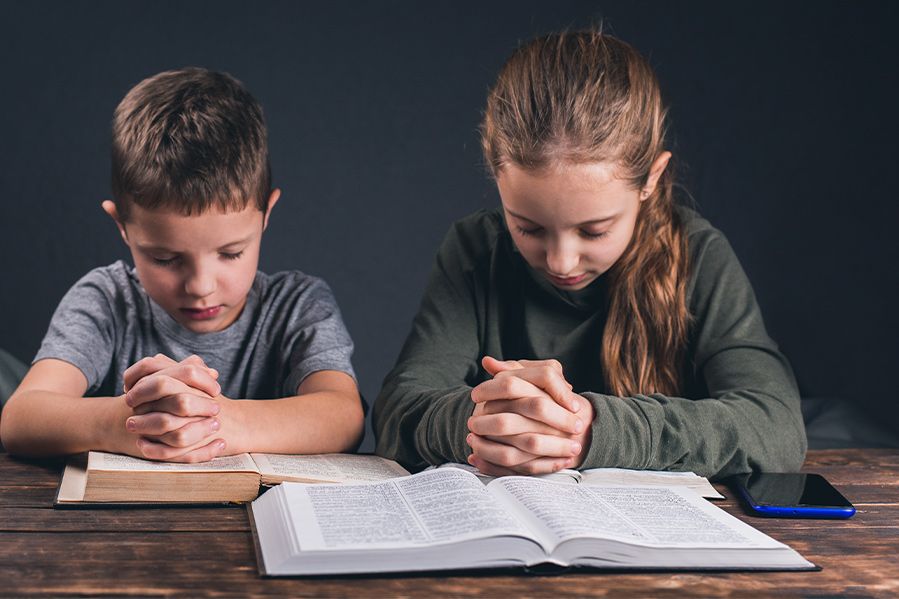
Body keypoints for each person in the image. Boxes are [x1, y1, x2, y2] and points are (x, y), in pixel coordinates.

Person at [373, 31, 806, 478]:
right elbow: (398, 410)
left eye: (594, 231)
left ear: (651, 180)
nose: (561, 261)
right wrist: (493, 419)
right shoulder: (475, 249)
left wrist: (591, 429)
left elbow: (776, 426)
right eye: (528, 227)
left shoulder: (699, 255)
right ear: (495, 174)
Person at [0, 68, 364, 462]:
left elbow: (344, 416)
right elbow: (22, 417)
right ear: (121, 225)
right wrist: (133, 421)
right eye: (165, 258)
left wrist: (212, 420)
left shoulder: (299, 306)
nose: (200, 286)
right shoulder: (105, 301)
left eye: (230, 253)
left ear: (265, 215)